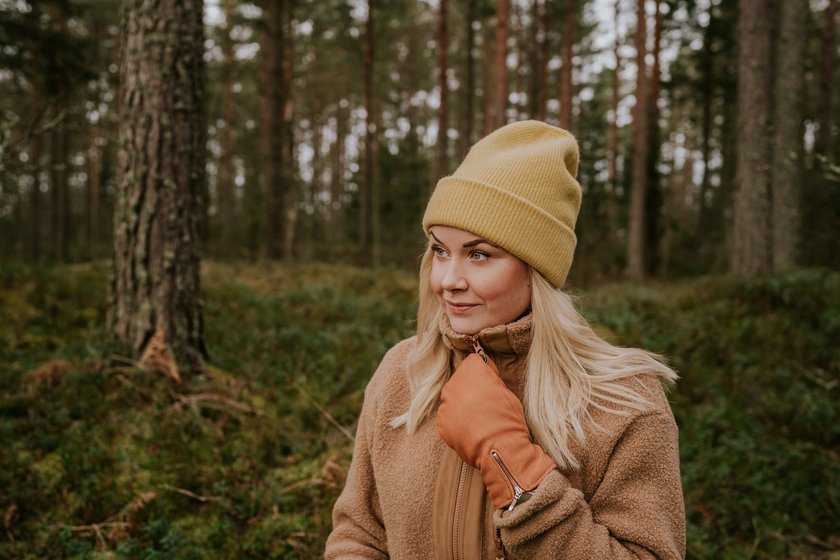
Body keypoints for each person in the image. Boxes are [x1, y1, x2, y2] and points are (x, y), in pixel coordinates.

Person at [325, 120, 685, 559]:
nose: (448, 280)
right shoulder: (402, 373)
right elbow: (358, 535)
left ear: (537, 269)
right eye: (440, 250)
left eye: (479, 255)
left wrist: (517, 471)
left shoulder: (624, 403)